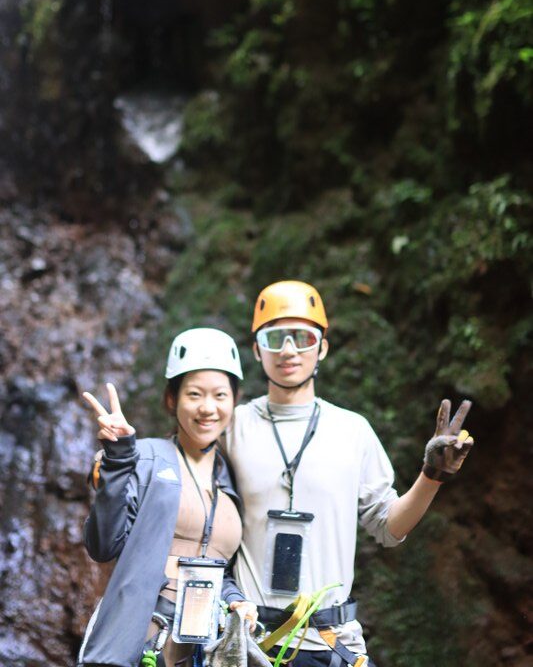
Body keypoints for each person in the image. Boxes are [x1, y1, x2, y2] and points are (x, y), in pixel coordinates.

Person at [223, 281, 474, 667]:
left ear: (321, 347)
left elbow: (388, 527)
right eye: (275, 338)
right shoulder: (232, 427)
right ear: (257, 350)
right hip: (250, 644)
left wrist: (431, 476)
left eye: (302, 337)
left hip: (330, 644)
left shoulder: (352, 430)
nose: (289, 350)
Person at [77, 327, 257, 667]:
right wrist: (117, 460)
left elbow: (220, 567)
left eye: (220, 395)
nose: (208, 408)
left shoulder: (231, 479)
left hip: (201, 648)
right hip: (138, 641)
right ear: (172, 400)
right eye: (194, 394)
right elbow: (102, 545)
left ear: (234, 401)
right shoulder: (145, 457)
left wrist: (235, 600)